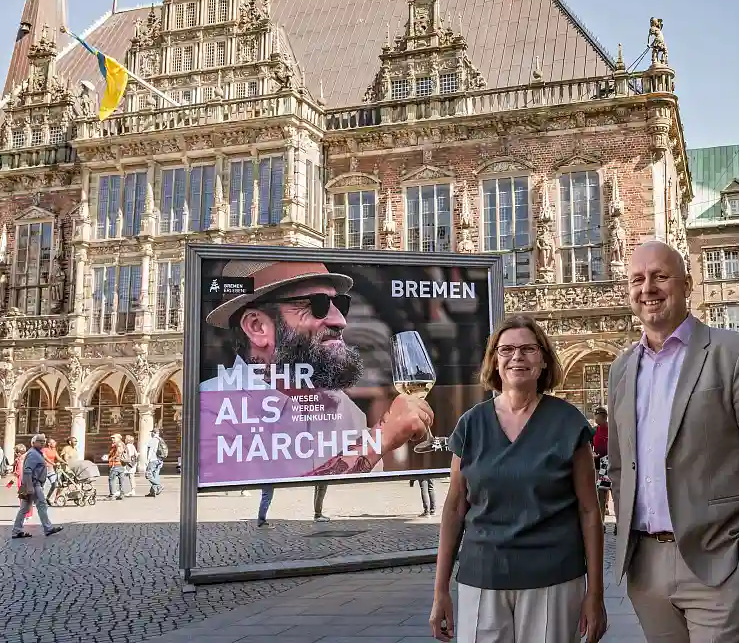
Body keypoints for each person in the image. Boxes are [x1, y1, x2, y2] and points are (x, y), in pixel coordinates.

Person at [607, 240, 739, 642]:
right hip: (646, 568)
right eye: (637, 279)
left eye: (660, 276)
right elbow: (621, 465)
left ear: (686, 283)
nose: (648, 288)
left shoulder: (735, 353)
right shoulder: (622, 368)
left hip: (721, 565)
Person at [430, 315, 607, 643]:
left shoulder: (568, 423)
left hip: (554, 578)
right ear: (494, 361)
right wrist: (440, 591)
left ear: (542, 361)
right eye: (507, 349)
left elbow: (589, 511)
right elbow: (454, 509)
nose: (517, 357)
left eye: (528, 349)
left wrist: (595, 594)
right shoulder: (471, 425)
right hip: (482, 577)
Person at [200, 261, 433, 478]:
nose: (340, 320)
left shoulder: (344, 408)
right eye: (317, 305)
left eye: (340, 304)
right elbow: (245, 512)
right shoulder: (209, 407)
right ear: (257, 326)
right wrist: (381, 438)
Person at [11, 434, 63, 539]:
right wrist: (30, 487)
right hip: (33, 484)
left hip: (30, 484)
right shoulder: (33, 454)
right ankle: (48, 528)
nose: (43, 442)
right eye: (40, 441)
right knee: (42, 505)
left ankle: (16, 531)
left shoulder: (37, 453)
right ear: (33, 443)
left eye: (44, 441)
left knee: (24, 508)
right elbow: (27, 471)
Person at [591, 407, 611, 532]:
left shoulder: (612, 431)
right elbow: (589, 447)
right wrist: (593, 455)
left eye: (596, 415)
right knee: (601, 494)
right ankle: (602, 522)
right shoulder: (594, 431)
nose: (595, 418)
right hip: (599, 467)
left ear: (603, 416)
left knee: (616, 494)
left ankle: (619, 523)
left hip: (612, 465)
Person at [105, 434, 129, 501]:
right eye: (112, 438)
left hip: (116, 464)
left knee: (111, 479)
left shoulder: (119, 444)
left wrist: (113, 458)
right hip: (121, 464)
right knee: (121, 480)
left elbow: (119, 451)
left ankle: (112, 495)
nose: (112, 439)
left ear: (118, 438)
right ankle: (122, 494)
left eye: (114, 438)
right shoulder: (122, 444)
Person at [145, 428, 164, 497]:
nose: (151, 433)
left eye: (152, 432)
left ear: (153, 433)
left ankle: (159, 486)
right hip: (159, 460)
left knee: (148, 474)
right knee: (155, 475)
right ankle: (153, 492)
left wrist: (147, 460)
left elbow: (150, 451)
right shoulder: (160, 439)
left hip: (153, 459)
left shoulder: (152, 440)